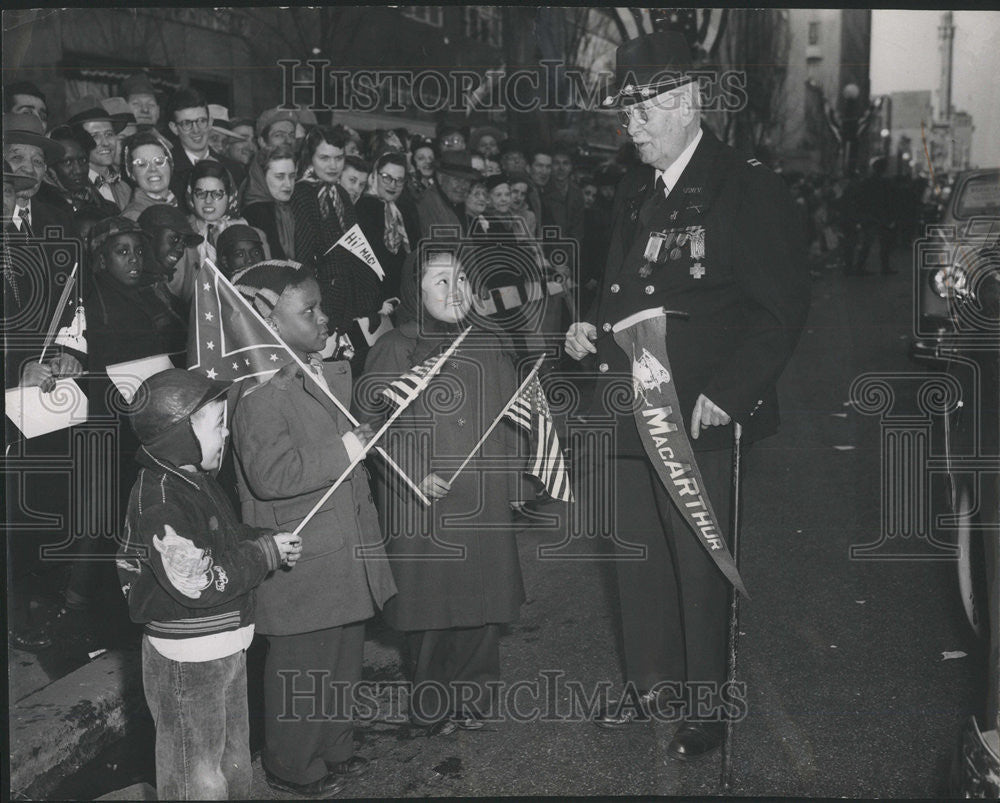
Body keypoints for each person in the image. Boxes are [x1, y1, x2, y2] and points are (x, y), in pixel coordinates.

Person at [563, 31, 809, 758]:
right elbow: (623, 291)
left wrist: (733, 394)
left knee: (698, 561)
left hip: (699, 413)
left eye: (643, 112)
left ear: (688, 102)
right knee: (637, 551)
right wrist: (590, 333)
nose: (630, 127)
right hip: (628, 404)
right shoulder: (635, 186)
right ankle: (652, 682)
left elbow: (781, 308)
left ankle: (707, 704)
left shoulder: (748, 185)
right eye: (626, 113)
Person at [230, 261, 396, 798]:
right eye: (310, 311)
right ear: (267, 320)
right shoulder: (257, 392)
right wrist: (347, 447)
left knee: (343, 658)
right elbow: (271, 474)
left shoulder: (308, 369)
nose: (324, 317)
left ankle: (334, 748)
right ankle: (292, 764)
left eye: (320, 306)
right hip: (306, 557)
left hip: (342, 546)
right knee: (304, 668)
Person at [116, 368, 301, 800]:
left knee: (233, 765)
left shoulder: (193, 480)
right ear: (180, 435)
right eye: (217, 425)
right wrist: (263, 556)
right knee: (196, 776)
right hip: (188, 659)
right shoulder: (161, 499)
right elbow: (197, 580)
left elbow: (223, 539)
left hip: (223, 646)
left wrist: (261, 540)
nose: (226, 435)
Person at [361, 246, 523, 733]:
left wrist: (513, 476)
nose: (456, 292)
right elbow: (374, 423)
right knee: (431, 607)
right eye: (440, 282)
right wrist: (411, 470)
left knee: (482, 600)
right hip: (424, 496)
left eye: (462, 280)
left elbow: (510, 408)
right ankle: (431, 702)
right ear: (416, 291)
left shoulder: (487, 339)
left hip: (482, 490)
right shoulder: (394, 348)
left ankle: (474, 695)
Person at [290, 126, 357, 335]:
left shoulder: (341, 195)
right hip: (320, 299)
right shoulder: (302, 193)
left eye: (338, 158)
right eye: (324, 158)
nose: (333, 165)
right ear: (311, 158)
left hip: (345, 295)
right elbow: (304, 257)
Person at [355, 151, 419, 305]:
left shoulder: (405, 210)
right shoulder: (363, 207)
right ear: (375, 175)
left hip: (400, 296)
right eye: (386, 178)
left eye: (399, 180)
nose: (392, 185)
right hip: (373, 297)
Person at [166, 87, 245, 206]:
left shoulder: (234, 170)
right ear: (174, 128)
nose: (196, 130)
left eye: (201, 121)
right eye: (187, 123)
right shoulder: (165, 171)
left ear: (210, 122)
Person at [37, 125, 120, 221]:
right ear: (50, 167)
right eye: (67, 162)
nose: (78, 170)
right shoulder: (40, 210)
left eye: (83, 160)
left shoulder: (108, 209)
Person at [65, 97, 132, 211]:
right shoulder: (70, 189)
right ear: (77, 142)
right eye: (95, 136)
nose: (105, 143)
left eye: (109, 134)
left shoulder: (124, 188)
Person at [137, 203, 204, 306]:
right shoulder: (136, 289)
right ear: (150, 236)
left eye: (184, 242)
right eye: (174, 239)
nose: (180, 249)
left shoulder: (158, 286)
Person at [186, 159, 249, 266]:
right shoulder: (182, 232)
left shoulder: (247, 234)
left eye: (217, 194)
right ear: (191, 195)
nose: (208, 201)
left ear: (230, 196)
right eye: (201, 193)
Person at [242, 144, 298, 260]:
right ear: (261, 177)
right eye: (279, 177)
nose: (288, 184)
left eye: (292, 176)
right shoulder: (256, 212)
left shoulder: (288, 207)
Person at [414, 150, 480, 238]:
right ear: (440, 178)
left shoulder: (458, 204)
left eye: (467, 181)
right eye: (457, 179)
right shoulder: (428, 204)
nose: (463, 186)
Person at [120, 130, 178, 220]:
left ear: (170, 166)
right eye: (142, 164)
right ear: (131, 174)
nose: (153, 169)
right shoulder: (134, 217)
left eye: (159, 161)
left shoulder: (177, 204)